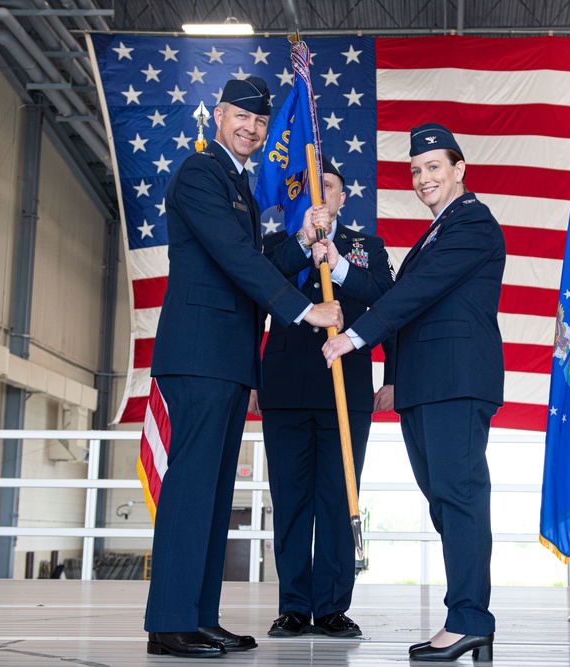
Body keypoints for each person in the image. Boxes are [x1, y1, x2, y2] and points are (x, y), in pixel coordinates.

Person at [144, 77, 343, 659]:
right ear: (219, 115)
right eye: (241, 117)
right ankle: (170, 623)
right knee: (190, 489)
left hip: (228, 358)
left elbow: (253, 256)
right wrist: (304, 309)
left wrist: (301, 236)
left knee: (211, 491)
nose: (252, 129)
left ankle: (199, 616)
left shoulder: (239, 185)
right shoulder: (201, 173)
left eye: (259, 122)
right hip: (199, 354)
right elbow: (233, 258)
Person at [321, 123, 505, 663]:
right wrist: (337, 264)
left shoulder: (472, 221)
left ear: (458, 170)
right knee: (446, 503)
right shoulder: (437, 231)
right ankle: (467, 617)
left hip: (454, 383)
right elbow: (396, 292)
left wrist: (354, 339)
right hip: (427, 386)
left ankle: (471, 619)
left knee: (460, 499)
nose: (423, 178)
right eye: (416, 170)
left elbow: (417, 294)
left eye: (433, 167)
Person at [248, 157, 395, 639]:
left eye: (328, 186)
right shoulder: (276, 245)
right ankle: (293, 604)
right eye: (312, 187)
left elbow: (390, 303)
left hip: (345, 391)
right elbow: (260, 289)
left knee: (338, 497)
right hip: (287, 390)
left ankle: (332, 606)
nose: (321, 193)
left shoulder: (365, 247)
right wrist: (304, 243)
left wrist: (392, 374)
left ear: (341, 197)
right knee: (290, 500)